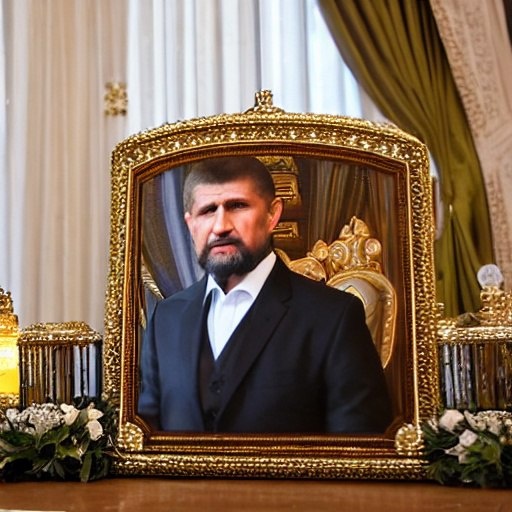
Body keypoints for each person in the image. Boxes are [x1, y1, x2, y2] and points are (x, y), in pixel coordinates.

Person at [138, 156, 392, 433]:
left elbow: (360, 445)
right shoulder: (166, 317)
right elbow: (146, 433)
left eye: (237, 206)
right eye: (208, 211)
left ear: (273, 214)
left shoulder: (334, 316)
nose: (221, 226)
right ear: (190, 224)